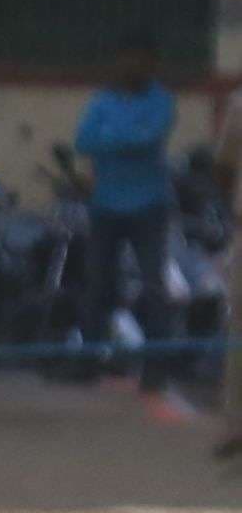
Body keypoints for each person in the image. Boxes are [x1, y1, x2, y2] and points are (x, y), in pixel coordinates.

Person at [74, 31, 180, 392]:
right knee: (98, 285)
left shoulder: (163, 101)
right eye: (126, 57)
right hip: (105, 205)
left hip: (149, 206)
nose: (131, 65)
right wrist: (125, 135)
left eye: (140, 58)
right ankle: (87, 362)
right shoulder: (102, 100)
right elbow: (83, 140)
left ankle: (156, 368)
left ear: (153, 63)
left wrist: (113, 136)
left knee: (153, 288)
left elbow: (148, 139)